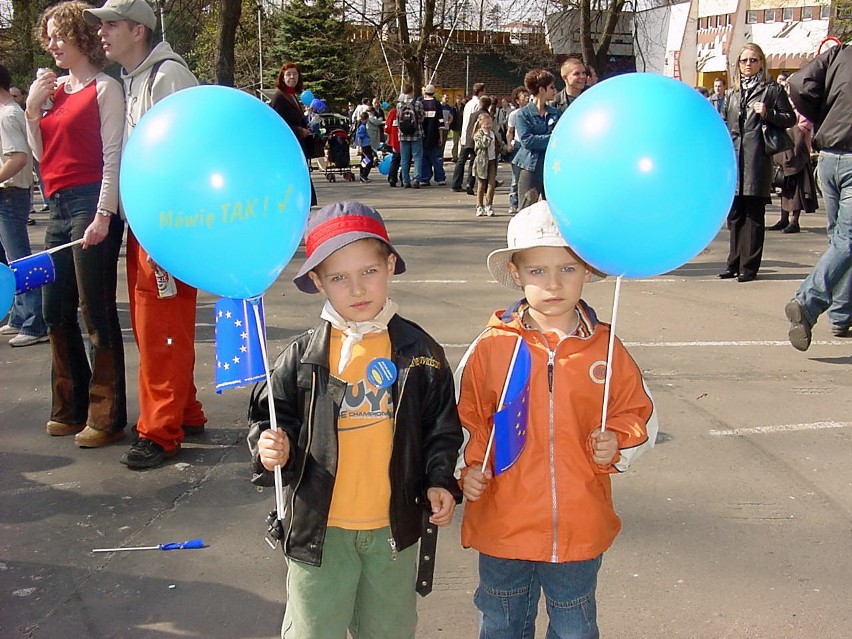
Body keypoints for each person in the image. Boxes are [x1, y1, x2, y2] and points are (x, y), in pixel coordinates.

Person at [248, 200, 463, 639]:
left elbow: (441, 427)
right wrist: (270, 447)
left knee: (389, 630)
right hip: (320, 532)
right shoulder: (303, 356)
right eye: (339, 277)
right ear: (317, 282)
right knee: (313, 631)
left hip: (392, 530)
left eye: (368, 271)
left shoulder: (419, 351)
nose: (357, 288)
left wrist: (440, 479)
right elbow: (271, 416)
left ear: (389, 266)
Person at [456, 200, 657, 639]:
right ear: (516, 274)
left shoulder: (606, 349)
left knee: (574, 624)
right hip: (503, 523)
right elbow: (466, 418)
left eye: (567, 269)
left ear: (587, 270)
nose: (553, 283)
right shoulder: (491, 347)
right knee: (502, 621)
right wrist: (468, 469)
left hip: (578, 527)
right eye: (538, 271)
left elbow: (639, 412)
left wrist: (619, 441)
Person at [85, 0, 208, 468]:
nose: (101, 33)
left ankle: (159, 431)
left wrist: (163, 228)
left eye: (110, 25)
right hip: (151, 223)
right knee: (157, 325)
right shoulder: (139, 78)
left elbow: (183, 156)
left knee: (160, 329)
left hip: (165, 226)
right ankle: (184, 409)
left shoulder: (167, 77)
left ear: (138, 30)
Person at [25, 0, 127, 447]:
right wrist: (32, 112)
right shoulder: (54, 91)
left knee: (96, 311)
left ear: (80, 37)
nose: (51, 44)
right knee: (54, 310)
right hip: (58, 206)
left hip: (90, 202)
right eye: (47, 36)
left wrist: (105, 213)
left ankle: (106, 415)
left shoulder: (105, 88)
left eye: (57, 35)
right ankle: (70, 405)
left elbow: (112, 156)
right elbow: (41, 158)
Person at [784, 43, 852, 349]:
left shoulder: (840, 54)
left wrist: (820, 115)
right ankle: (808, 303)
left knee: (840, 241)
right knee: (846, 241)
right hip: (848, 156)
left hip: (828, 157)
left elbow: (798, 82)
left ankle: (840, 314)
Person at [719, 43, 794, 283]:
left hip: (757, 158)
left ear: (761, 62)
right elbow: (724, 123)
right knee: (735, 214)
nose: (748, 65)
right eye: (744, 60)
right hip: (734, 158)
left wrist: (767, 113)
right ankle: (734, 263)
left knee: (753, 214)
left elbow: (789, 118)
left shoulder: (771, 90)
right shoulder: (732, 93)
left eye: (753, 60)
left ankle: (749, 267)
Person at [0, 65, 47, 347]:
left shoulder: (7, 115)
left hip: (10, 194)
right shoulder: (8, 113)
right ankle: (19, 315)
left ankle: (34, 320)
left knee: (18, 258)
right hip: (9, 193)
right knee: (10, 256)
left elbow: (17, 158)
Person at [269, 62, 318, 206]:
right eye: (288, 74)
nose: (292, 77)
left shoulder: (292, 96)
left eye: (295, 74)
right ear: (282, 77)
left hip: (298, 146)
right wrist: (298, 130)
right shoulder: (279, 97)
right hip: (288, 148)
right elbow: (278, 126)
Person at [513, 69, 560, 201]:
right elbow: (527, 141)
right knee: (527, 207)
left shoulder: (555, 113)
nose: (554, 90)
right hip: (530, 166)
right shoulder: (523, 114)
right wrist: (553, 139)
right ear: (542, 89)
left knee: (554, 206)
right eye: (551, 87)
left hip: (552, 166)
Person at [768, 112, 817, 234]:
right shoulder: (787, 106)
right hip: (785, 152)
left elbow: (803, 128)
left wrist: (790, 127)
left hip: (799, 155)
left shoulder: (804, 109)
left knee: (797, 191)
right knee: (784, 188)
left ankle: (794, 222)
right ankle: (783, 219)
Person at [451, 82, 485, 192]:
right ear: (481, 92)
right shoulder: (477, 104)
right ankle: (469, 183)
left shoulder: (468, 103)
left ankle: (456, 183)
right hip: (473, 135)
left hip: (465, 134)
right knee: (473, 160)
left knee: (461, 160)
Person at [505, 86, 529, 216]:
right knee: (516, 177)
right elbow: (510, 131)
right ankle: (513, 203)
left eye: (527, 95)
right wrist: (509, 144)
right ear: (517, 100)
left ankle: (525, 203)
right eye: (523, 96)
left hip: (528, 145)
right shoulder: (514, 114)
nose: (527, 97)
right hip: (518, 145)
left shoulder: (532, 112)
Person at [396, 83, 424, 189]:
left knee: (404, 159)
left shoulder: (399, 105)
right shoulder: (417, 104)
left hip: (403, 135)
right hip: (416, 134)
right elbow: (421, 118)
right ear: (412, 92)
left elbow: (398, 120)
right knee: (417, 157)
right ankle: (416, 179)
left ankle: (405, 181)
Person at [472, 112, 500, 217]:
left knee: (491, 185)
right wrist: (486, 136)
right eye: (485, 124)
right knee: (481, 185)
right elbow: (482, 145)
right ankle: (479, 206)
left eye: (489, 123)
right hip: (482, 163)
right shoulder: (478, 135)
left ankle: (489, 205)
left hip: (492, 161)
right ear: (480, 124)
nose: (488, 126)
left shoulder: (494, 133)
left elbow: (498, 145)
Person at [419, 84, 445, 186]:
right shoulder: (437, 104)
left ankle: (424, 178)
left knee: (424, 157)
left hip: (422, 135)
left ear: (425, 92)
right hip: (434, 135)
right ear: (434, 92)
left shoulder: (421, 104)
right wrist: (441, 137)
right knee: (435, 157)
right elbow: (440, 122)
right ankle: (440, 177)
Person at [354, 111, 374, 183]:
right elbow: (360, 137)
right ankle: (364, 174)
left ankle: (362, 175)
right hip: (365, 146)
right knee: (369, 160)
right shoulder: (362, 127)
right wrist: (360, 147)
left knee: (364, 161)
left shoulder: (362, 126)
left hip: (366, 145)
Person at [385, 103, 401, 187]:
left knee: (395, 159)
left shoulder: (393, 112)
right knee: (406, 160)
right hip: (407, 140)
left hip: (395, 140)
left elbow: (387, 128)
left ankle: (392, 178)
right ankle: (404, 178)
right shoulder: (409, 111)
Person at [450, 97, 464, 162]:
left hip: (462, 127)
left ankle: (462, 155)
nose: (459, 100)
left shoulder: (464, 107)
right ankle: (455, 156)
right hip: (455, 127)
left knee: (463, 143)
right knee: (455, 143)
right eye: (457, 99)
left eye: (460, 99)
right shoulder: (453, 108)